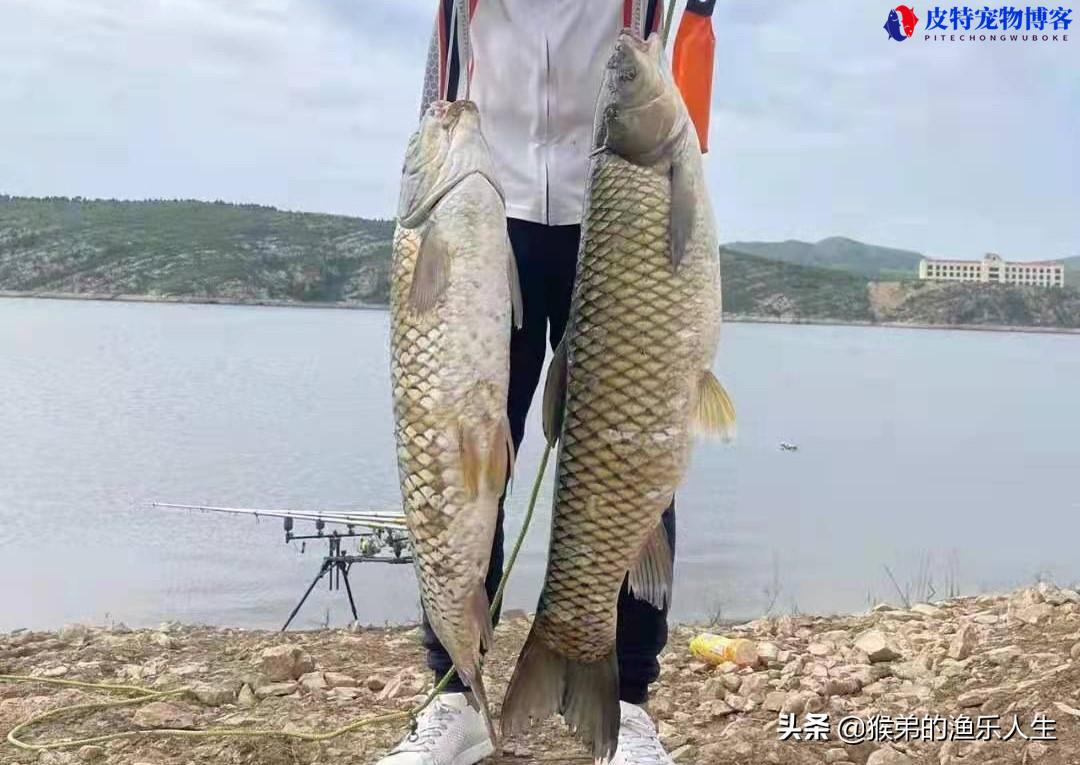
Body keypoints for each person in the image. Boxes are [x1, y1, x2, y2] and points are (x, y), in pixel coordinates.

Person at [378, 2, 715, 763]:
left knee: (631, 448)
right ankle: (454, 692)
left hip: (617, 200)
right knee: (464, 458)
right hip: (486, 207)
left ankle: (625, 703)